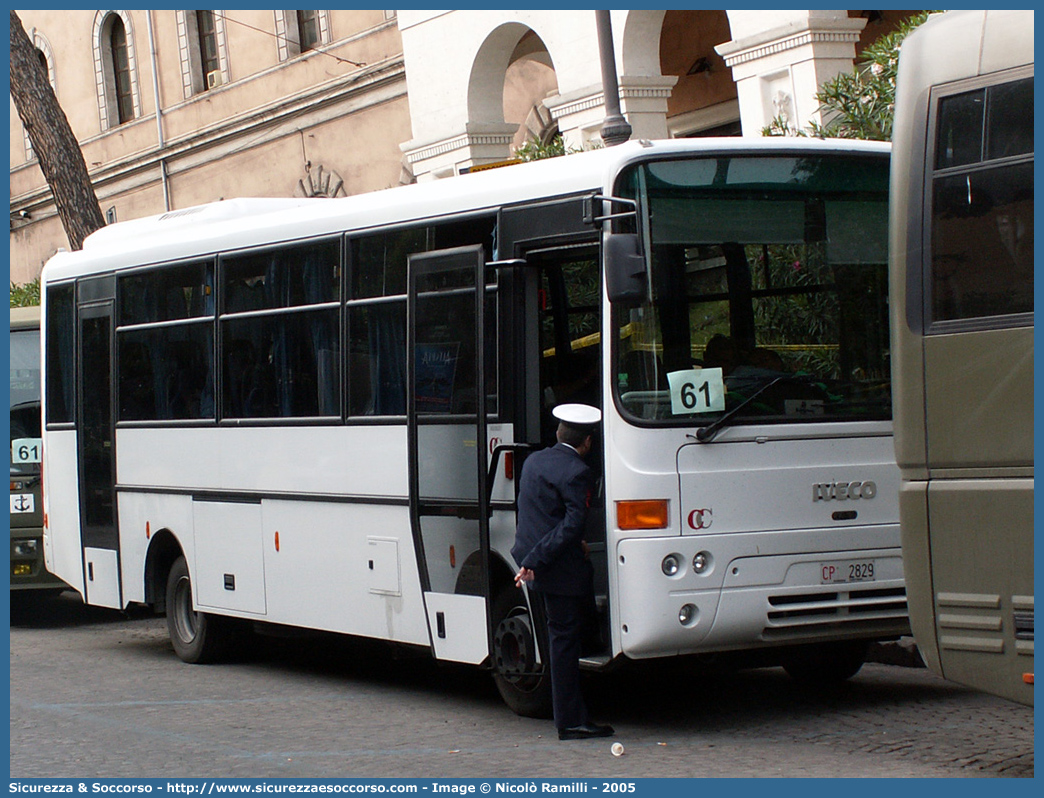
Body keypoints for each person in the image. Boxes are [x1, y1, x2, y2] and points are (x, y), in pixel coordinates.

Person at [511, 403, 614, 741]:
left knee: (562, 638)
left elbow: (536, 514)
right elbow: (571, 524)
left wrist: (529, 557)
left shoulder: (535, 461)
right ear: (587, 442)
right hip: (557, 569)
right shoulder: (577, 471)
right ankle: (570, 721)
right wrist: (535, 560)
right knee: (564, 644)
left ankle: (572, 714)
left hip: (541, 563)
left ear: (558, 433)